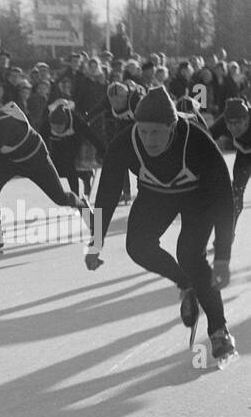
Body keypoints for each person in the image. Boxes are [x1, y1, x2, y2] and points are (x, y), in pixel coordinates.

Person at [88, 85, 235, 362]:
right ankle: (186, 283)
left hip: (198, 197)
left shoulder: (197, 142)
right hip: (155, 195)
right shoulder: (125, 142)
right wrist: (95, 242)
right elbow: (106, 193)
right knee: (137, 246)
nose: (148, 139)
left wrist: (223, 257)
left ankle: (219, 330)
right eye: (143, 131)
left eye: (156, 132)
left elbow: (223, 199)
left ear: (173, 126)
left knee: (190, 255)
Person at [0, 95, 89, 255]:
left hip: (35, 159)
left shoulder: (4, 126)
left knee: (60, 198)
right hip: (9, 159)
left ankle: (82, 204)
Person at [208, 95, 251, 247]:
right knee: (236, 193)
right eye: (230, 124)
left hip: (246, 149)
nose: (234, 128)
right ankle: (227, 233)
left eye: (239, 123)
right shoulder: (223, 123)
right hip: (245, 156)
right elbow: (204, 138)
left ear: (247, 119)